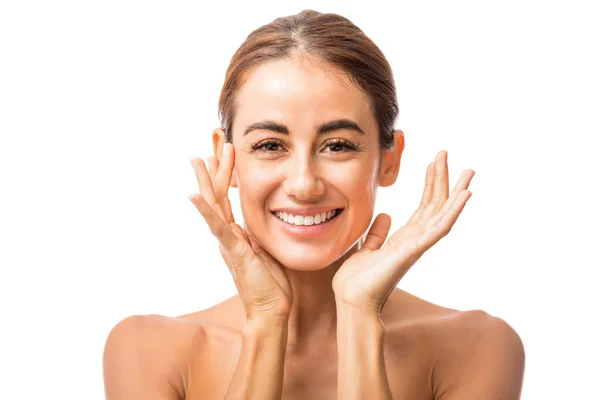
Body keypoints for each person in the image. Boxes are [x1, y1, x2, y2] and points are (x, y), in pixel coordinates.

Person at [103, 9, 525, 399]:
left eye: (337, 145)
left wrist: (359, 317)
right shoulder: (148, 349)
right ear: (227, 159)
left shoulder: (477, 346)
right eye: (270, 145)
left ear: (389, 159)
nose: (304, 185)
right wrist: (266, 321)